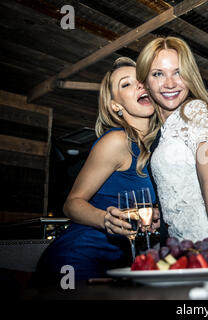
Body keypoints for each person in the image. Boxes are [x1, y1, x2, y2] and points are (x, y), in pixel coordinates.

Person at [36, 57, 161, 281]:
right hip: (79, 258)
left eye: (141, 79)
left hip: (122, 262)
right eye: (126, 84)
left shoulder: (156, 148)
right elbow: (72, 204)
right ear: (116, 105)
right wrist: (106, 219)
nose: (140, 85)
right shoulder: (117, 141)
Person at [136, 36, 208, 254]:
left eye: (178, 72)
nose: (169, 83)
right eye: (158, 74)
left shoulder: (195, 111)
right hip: (184, 249)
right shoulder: (164, 131)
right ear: (145, 82)